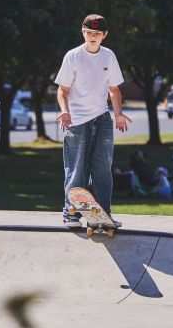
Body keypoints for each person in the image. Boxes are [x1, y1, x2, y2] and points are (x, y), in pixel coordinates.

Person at [55, 14, 131, 228]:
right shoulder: (73, 56)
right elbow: (63, 90)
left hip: (102, 118)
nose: (92, 37)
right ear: (83, 33)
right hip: (77, 121)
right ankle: (71, 213)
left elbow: (114, 89)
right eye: (89, 33)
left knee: (102, 168)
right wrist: (65, 111)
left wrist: (118, 114)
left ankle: (101, 214)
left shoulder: (108, 56)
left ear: (104, 35)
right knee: (77, 168)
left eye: (97, 34)